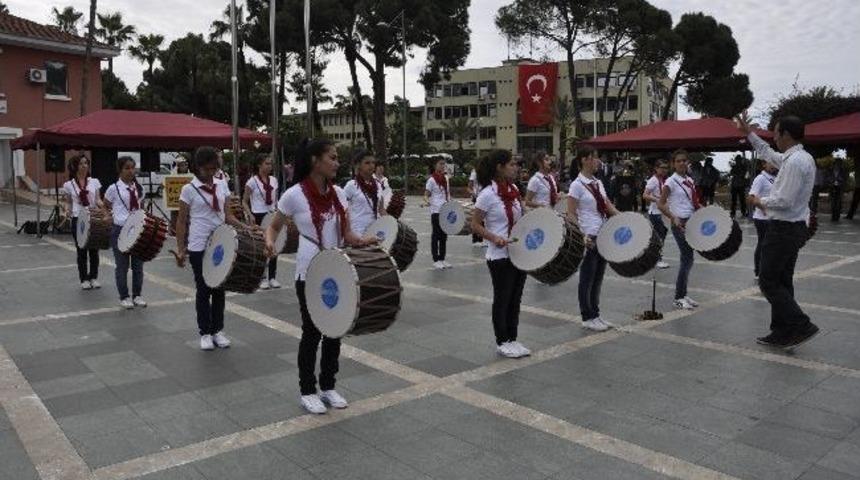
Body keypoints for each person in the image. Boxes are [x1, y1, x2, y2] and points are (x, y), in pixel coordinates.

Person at [264, 138, 376, 414]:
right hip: (309, 271)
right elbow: (274, 226)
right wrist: (269, 242)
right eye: (333, 157)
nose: (338, 163)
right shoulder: (294, 195)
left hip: (336, 269)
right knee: (312, 332)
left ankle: (328, 386)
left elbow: (347, 234)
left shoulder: (339, 192)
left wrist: (363, 240)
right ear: (315, 160)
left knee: (335, 330)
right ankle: (307, 390)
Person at [737, 113, 819, 348]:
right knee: (782, 280)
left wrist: (759, 201)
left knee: (768, 281)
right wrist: (749, 134)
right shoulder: (800, 157)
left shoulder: (795, 162)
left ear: (787, 135)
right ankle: (783, 331)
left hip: (784, 228)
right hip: (791, 228)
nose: (774, 138)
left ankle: (801, 324)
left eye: (776, 133)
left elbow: (784, 200)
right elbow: (768, 154)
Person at [175, 147, 245, 350]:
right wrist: (181, 249)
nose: (211, 172)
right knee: (204, 289)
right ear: (197, 167)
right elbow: (181, 221)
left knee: (220, 288)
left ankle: (218, 330)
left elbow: (228, 216)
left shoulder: (222, 184)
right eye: (207, 169)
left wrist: (246, 227)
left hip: (221, 243)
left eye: (214, 168)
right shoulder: (188, 189)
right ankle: (205, 332)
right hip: (198, 244)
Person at [471, 150, 530, 358]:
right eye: (512, 164)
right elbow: (475, 224)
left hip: (518, 253)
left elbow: (522, 218)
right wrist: (494, 237)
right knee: (503, 298)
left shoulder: (514, 189)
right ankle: (502, 341)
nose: (516, 168)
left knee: (516, 298)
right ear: (499, 167)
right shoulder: (487, 194)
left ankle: (513, 338)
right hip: (499, 256)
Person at [568, 146, 620, 332]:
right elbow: (571, 214)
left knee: (598, 278)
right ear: (584, 159)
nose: (598, 161)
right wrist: (581, 235)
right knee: (587, 278)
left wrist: (623, 218)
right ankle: (587, 316)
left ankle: (596, 314)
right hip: (589, 235)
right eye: (595, 158)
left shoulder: (597, 183)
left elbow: (606, 205)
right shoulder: (576, 185)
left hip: (603, 233)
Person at [658, 149, 700, 311]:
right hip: (679, 223)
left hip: (691, 221)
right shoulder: (670, 182)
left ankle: (683, 293)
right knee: (687, 258)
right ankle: (678, 297)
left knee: (689, 259)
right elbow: (661, 204)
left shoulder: (689, 180)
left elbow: (693, 202)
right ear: (673, 164)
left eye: (684, 160)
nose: (682, 163)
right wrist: (672, 217)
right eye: (678, 161)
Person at [103, 157, 147, 310]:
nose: (131, 171)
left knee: (138, 265)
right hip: (120, 230)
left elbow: (141, 207)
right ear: (120, 170)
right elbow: (105, 205)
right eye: (127, 168)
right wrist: (108, 215)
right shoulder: (113, 188)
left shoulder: (138, 188)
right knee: (122, 266)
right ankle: (124, 296)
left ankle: (137, 295)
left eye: (132, 168)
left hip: (137, 230)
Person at [63, 154, 103, 290]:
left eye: (86, 163)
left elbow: (97, 199)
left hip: (92, 217)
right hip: (77, 218)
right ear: (75, 166)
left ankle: (93, 277)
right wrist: (67, 210)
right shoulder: (69, 185)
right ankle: (83, 279)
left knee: (94, 249)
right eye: (81, 163)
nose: (84, 166)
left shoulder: (94, 182)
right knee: (81, 250)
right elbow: (68, 202)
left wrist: (103, 206)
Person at [243, 153, 281, 289]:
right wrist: (249, 214)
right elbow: (244, 201)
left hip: (271, 215)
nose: (269, 166)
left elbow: (276, 200)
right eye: (267, 163)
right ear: (259, 165)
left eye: (271, 164)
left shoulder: (274, 180)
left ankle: (272, 277)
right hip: (258, 215)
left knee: (274, 245)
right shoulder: (252, 181)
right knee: (261, 246)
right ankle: (262, 277)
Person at [747, 160, 778, 280]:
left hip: (773, 217)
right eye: (770, 163)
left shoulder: (774, 178)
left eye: (774, 163)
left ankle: (767, 270)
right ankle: (758, 271)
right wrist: (763, 208)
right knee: (763, 244)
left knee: (771, 245)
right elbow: (751, 197)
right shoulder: (760, 178)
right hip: (762, 218)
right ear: (764, 164)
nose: (773, 165)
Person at [343, 150, 385, 236]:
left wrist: (393, 223)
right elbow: (342, 209)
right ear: (359, 165)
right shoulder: (351, 185)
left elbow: (381, 210)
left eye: (373, 162)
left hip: (374, 231)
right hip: (357, 233)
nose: (371, 165)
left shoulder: (378, 185)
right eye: (367, 163)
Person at [643, 160, 671, 269]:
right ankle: (657, 259)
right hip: (655, 213)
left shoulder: (664, 180)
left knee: (660, 235)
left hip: (662, 212)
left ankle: (652, 257)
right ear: (656, 168)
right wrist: (657, 199)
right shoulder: (653, 180)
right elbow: (645, 195)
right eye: (662, 167)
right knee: (659, 236)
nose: (664, 170)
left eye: (666, 168)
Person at [424, 158, 451, 269]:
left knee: (444, 235)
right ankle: (435, 259)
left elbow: (448, 194)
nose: (442, 166)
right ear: (435, 165)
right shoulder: (431, 180)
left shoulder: (446, 178)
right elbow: (426, 194)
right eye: (440, 164)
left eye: (444, 164)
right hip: (436, 211)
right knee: (436, 235)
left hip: (445, 210)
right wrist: (427, 201)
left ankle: (442, 258)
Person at [468, 164, 485, 247]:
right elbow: (469, 187)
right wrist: (473, 193)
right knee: (477, 218)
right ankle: (475, 240)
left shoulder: (487, 172)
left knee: (484, 220)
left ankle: (481, 239)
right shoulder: (474, 173)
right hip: (477, 198)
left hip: (484, 197)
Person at [830, 157, 847, 222]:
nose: (838, 164)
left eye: (839, 163)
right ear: (834, 164)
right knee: (833, 202)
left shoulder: (843, 171)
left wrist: (839, 180)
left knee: (838, 202)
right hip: (832, 187)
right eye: (836, 163)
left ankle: (837, 216)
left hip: (839, 187)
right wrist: (832, 181)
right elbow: (828, 177)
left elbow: (845, 179)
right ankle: (833, 216)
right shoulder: (831, 170)